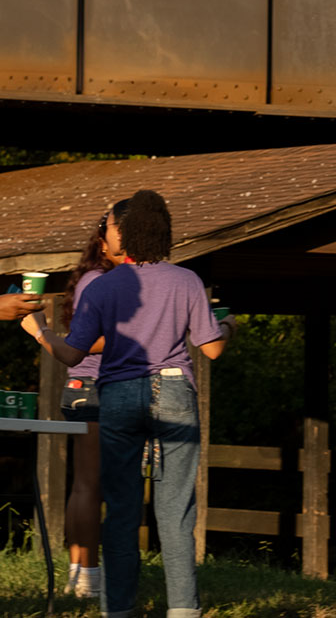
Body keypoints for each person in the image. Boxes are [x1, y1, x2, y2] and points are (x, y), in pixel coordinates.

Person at [26, 190, 236, 618]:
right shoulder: (187, 280)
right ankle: (183, 611)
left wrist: (40, 332)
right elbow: (211, 349)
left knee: (121, 509)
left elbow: (73, 355)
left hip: (119, 394)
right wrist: (228, 326)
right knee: (176, 511)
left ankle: (117, 611)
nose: (104, 231)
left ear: (124, 233)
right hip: (176, 390)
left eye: (108, 225)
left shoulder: (102, 286)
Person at [21, 211, 123, 598]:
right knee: (91, 485)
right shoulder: (102, 281)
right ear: (102, 241)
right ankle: (89, 576)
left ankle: (81, 573)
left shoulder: (89, 279)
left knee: (86, 484)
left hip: (82, 385)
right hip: (97, 384)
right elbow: (93, 341)